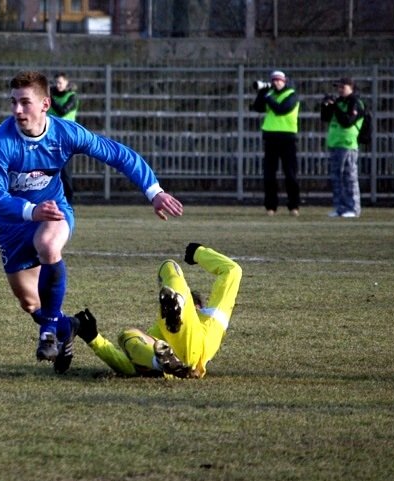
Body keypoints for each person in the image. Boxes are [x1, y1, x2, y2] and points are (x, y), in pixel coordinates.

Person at [0, 70, 184, 374]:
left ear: (45, 104)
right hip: (12, 225)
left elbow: (116, 154)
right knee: (31, 304)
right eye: (13, 103)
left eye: (25, 102)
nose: (17, 110)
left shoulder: (65, 133)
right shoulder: (0, 144)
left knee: (47, 244)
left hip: (55, 212)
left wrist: (154, 191)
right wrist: (31, 211)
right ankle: (67, 326)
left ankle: (48, 333)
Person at [74, 243, 242, 379]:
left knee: (169, 265)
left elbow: (233, 271)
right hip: (176, 368)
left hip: (191, 350)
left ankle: (178, 304)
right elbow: (129, 366)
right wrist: (94, 339)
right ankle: (161, 362)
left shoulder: (210, 316)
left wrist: (198, 252)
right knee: (127, 336)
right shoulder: (212, 318)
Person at [250, 70, 301, 217]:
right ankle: (270, 207)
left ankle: (294, 206)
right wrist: (261, 92)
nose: (276, 83)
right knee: (269, 175)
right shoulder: (268, 95)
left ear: (284, 81)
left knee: (290, 174)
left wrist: (267, 96)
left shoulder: (291, 94)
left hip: (288, 139)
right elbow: (257, 107)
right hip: (271, 138)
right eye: (274, 80)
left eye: (279, 80)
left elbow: (281, 109)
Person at [320, 77, 364, 218]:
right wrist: (325, 105)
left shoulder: (355, 102)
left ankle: (353, 208)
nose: (339, 90)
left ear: (351, 88)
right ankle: (340, 208)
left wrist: (334, 107)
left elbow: (347, 121)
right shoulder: (339, 102)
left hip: (347, 144)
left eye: (342, 87)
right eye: (338, 87)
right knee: (337, 178)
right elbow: (325, 118)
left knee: (349, 177)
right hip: (335, 143)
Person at [47, 72, 79, 203]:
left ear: (66, 83)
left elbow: (62, 111)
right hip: (50, 136)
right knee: (47, 169)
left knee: (64, 171)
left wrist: (50, 98)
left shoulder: (72, 97)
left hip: (66, 138)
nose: (58, 85)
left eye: (60, 82)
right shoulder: (48, 96)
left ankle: (68, 201)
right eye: (56, 82)